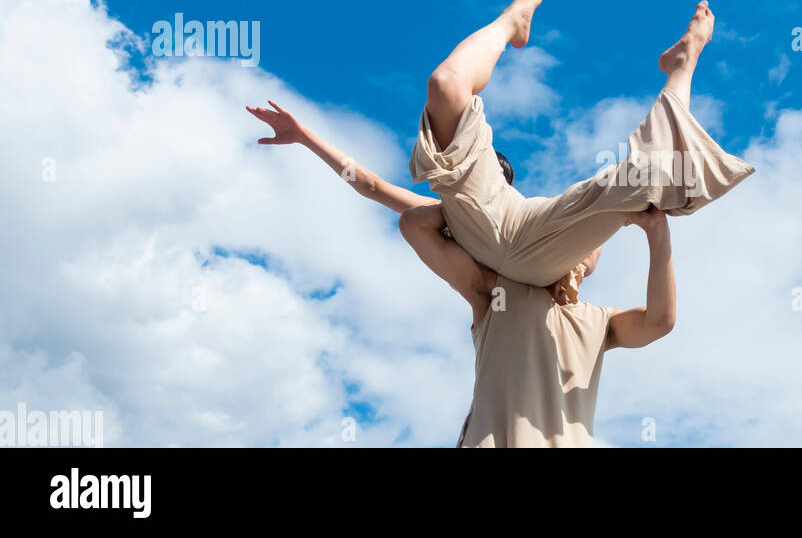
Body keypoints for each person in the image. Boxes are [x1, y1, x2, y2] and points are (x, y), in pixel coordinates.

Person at [246, 105, 676, 446]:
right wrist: (305, 138)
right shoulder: (492, 292)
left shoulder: (592, 316)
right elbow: (380, 192)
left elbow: (658, 320)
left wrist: (656, 233)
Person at [408, 0, 753, 297]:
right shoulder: (447, 212)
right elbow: (379, 190)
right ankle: (683, 62)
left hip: (533, 230)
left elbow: (597, 262)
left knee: (445, 85)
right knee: (658, 175)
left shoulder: (461, 208)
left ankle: (512, 20)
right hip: (507, 239)